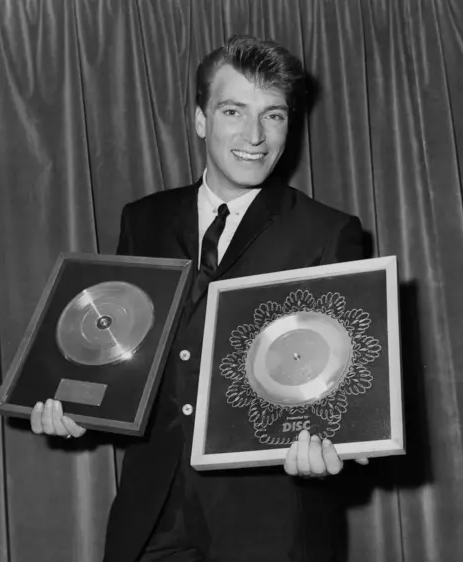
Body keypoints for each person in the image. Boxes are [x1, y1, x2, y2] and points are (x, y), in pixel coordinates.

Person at [31, 35, 368, 561]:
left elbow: (345, 383)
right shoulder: (143, 219)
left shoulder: (330, 233)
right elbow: (128, 356)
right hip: (152, 513)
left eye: (273, 115)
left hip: (272, 523)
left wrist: (337, 447)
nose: (255, 136)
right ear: (200, 119)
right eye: (234, 110)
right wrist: (77, 408)